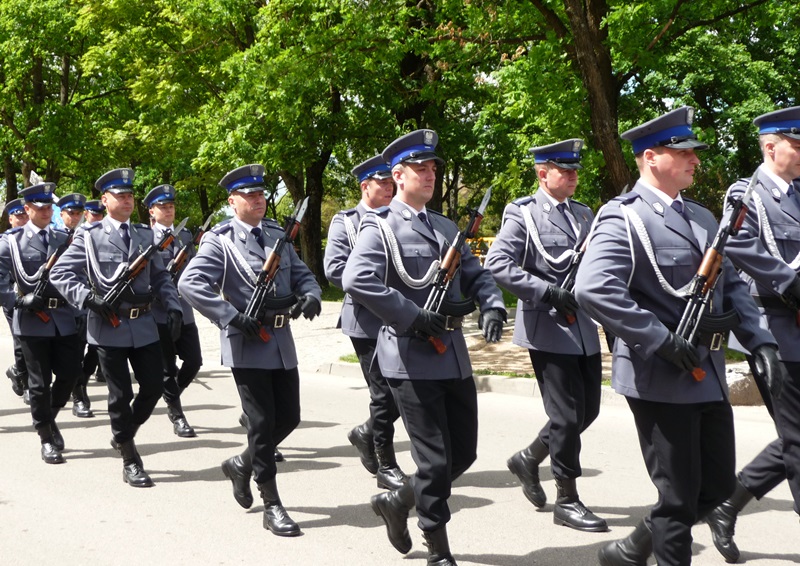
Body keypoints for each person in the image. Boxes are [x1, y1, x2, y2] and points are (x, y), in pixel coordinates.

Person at [574, 107, 784, 566]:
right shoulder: (623, 217)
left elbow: (730, 289)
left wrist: (761, 340)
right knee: (678, 497)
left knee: (715, 489)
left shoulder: (704, 218)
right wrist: (658, 339)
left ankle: (631, 550)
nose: (694, 160)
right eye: (683, 151)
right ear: (651, 157)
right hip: (659, 373)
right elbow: (592, 288)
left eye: (694, 152)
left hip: (705, 373)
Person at [342, 130, 506, 565]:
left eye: (433, 167)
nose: (430, 174)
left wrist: (491, 303)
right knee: (433, 461)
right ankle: (436, 544)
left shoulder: (446, 227)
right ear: (398, 175)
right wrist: (412, 316)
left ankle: (398, 500)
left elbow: (474, 273)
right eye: (421, 167)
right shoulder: (378, 227)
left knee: (464, 453)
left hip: (451, 353)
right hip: (409, 356)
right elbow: (356, 280)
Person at [178, 164, 321, 537]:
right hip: (247, 342)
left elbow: (302, 273)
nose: (259, 200)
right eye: (250, 195)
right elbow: (190, 283)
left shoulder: (277, 233)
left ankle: (241, 464)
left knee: (288, 417)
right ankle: (271, 503)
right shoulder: (219, 240)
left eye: (261, 194)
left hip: (281, 342)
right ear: (232, 201)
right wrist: (229, 316)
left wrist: (310, 294)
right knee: (260, 425)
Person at [484, 139, 606, 532]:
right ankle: (567, 499)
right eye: (564, 170)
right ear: (543, 173)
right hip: (548, 327)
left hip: (583, 327)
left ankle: (528, 457)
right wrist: (545, 290)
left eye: (575, 171)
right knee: (566, 417)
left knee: (587, 412)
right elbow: (500, 264)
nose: (573, 176)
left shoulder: (584, 214)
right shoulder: (522, 214)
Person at [705, 106, 800, 563]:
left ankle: (727, 504)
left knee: (795, 436)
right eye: (797, 144)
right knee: (798, 438)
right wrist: (788, 280)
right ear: (770, 146)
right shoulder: (746, 194)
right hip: (773, 331)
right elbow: (736, 243)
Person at [50, 168, 183, 487]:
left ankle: (123, 434)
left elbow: (162, 276)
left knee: (153, 387)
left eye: (130, 195)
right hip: (108, 326)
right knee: (120, 395)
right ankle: (130, 458)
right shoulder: (89, 235)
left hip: (145, 324)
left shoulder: (144, 234)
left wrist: (174, 304)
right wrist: (87, 299)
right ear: (105, 200)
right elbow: (61, 274)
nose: (127, 199)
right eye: (120, 195)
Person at [324, 154, 407, 490]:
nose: (389, 187)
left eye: (392, 182)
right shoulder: (345, 223)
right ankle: (386, 464)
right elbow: (333, 269)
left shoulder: (400, 219)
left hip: (400, 316)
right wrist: (372, 285)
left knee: (401, 392)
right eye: (383, 183)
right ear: (365, 186)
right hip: (366, 320)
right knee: (383, 393)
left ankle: (365, 433)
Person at [0, 183, 83, 463]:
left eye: (50, 207)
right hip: (32, 319)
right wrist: (15, 301)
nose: (47, 211)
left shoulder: (66, 237)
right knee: (39, 383)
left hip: (65, 316)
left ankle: (49, 417)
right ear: (27, 209)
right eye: (40, 207)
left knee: (71, 374)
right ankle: (46, 437)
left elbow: (81, 273)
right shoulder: (11, 241)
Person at [144, 184, 203, 438]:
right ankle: (177, 415)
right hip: (158, 311)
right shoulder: (145, 238)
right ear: (151, 212)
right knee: (168, 367)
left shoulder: (185, 236)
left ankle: (171, 397)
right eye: (162, 207)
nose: (168, 211)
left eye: (171, 206)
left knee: (194, 361)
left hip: (184, 308)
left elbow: (193, 269)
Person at [55, 192, 95, 419]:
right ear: (62, 215)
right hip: (61, 306)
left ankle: (81, 386)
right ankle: (78, 396)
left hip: (85, 302)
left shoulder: (90, 235)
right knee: (72, 355)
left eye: (79, 213)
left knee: (92, 350)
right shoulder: (53, 236)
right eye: (71, 213)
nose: (76, 217)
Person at [3, 198, 31, 401]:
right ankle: (28, 383)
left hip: (35, 298)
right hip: (14, 298)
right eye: (18, 216)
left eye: (25, 215)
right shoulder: (6, 242)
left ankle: (18, 371)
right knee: (22, 340)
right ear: (10, 219)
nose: (23, 219)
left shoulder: (35, 239)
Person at [81, 198, 106, 384]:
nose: (98, 217)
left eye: (100, 214)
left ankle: (97, 370)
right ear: (86, 214)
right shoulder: (81, 235)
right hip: (80, 296)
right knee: (78, 343)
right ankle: (78, 382)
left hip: (99, 295)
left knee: (96, 342)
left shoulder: (104, 234)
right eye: (94, 214)